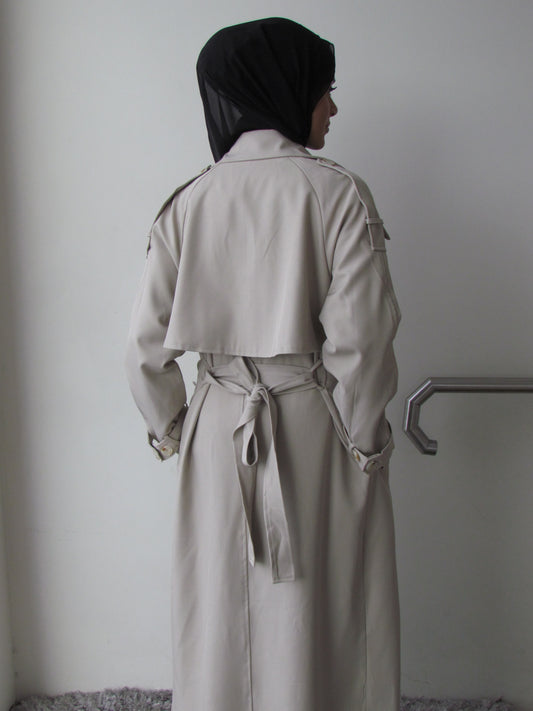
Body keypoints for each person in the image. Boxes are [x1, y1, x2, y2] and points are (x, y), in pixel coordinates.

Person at [125, 17, 401, 711]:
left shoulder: (186, 202)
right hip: (314, 424)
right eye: (324, 89)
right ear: (283, 87)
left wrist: (175, 431)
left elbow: (144, 350)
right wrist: (364, 446)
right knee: (320, 611)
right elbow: (363, 344)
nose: (332, 107)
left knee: (219, 610)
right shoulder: (337, 193)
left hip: (216, 427)